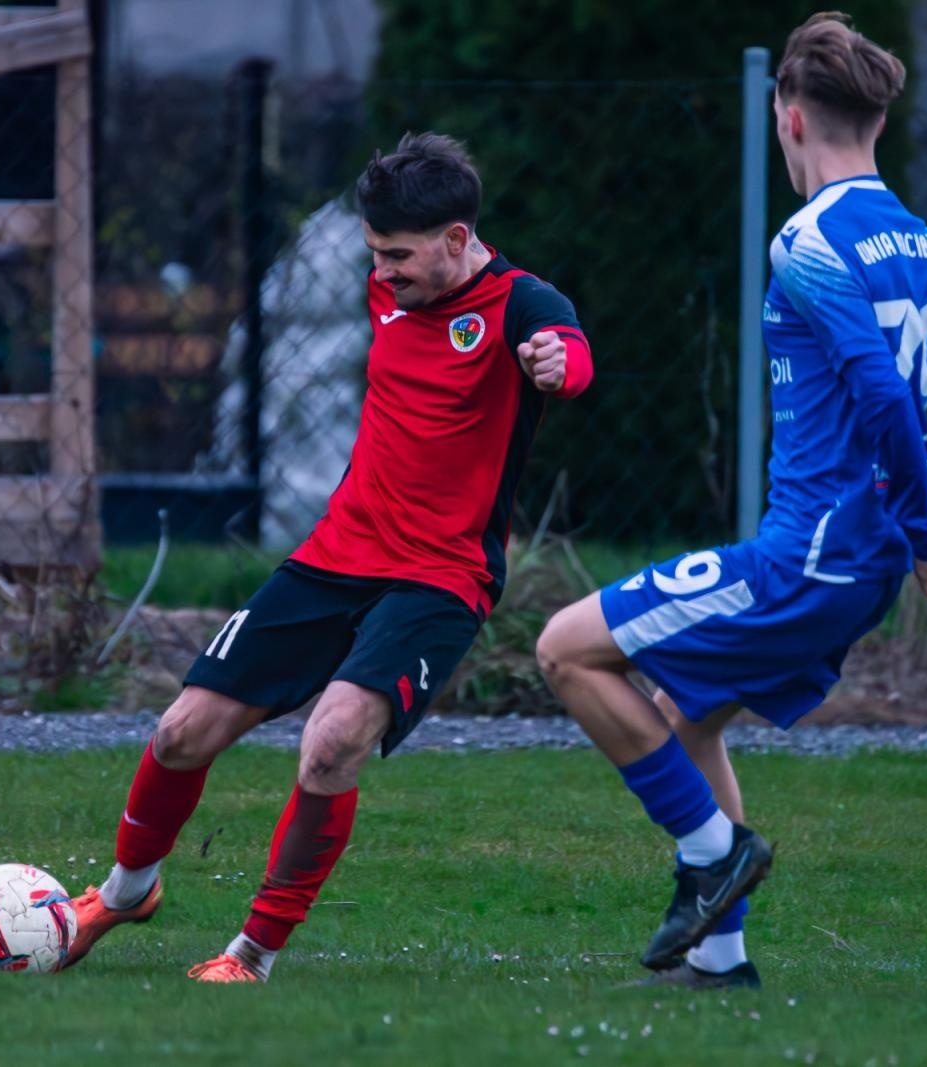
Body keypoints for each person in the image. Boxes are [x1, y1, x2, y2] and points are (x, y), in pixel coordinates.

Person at [535, 11, 927, 990]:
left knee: (564, 648)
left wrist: (917, 515)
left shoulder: (806, 240)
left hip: (806, 560)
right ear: (877, 124)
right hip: (851, 569)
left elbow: (876, 384)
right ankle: (721, 962)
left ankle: (709, 854)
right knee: (687, 713)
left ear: (787, 119)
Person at [62, 131, 594, 983]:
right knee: (180, 731)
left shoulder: (523, 304)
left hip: (439, 576)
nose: (382, 273)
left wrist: (554, 363)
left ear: (458, 241)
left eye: (399, 256)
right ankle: (125, 892)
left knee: (331, 742)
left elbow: (572, 357)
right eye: (374, 254)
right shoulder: (391, 290)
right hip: (337, 552)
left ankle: (252, 954)